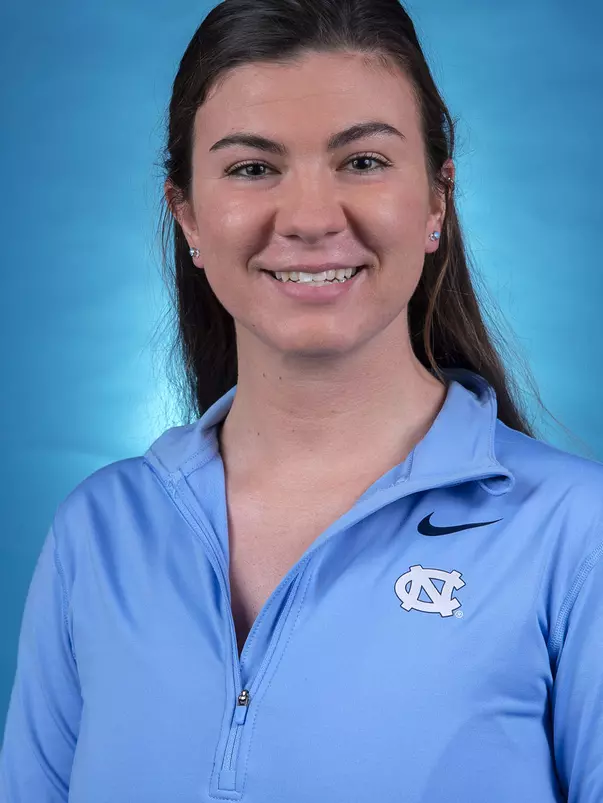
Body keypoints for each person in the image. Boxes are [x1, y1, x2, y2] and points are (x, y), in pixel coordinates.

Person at [1, 0, 602, 800]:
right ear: (187, 215)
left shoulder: (575, 534)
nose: (312, 219)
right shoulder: (98, 533)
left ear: (435, 202)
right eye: (253, 168)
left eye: (362, 162)